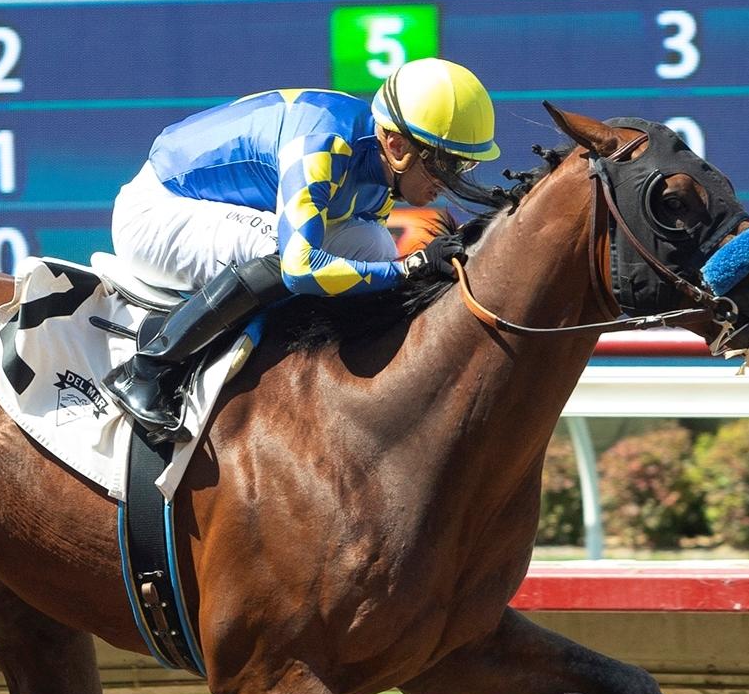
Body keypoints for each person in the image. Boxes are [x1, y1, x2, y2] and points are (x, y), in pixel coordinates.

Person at [102, 57, 502, 442]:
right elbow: (300, 268)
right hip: (155, 213)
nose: (450, 182)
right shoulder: (323, 144)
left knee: (376, 246)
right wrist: (411, 266)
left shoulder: (381, 174)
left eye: (463, 166)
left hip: (211, 207)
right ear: (397, 147)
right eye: (446, 165)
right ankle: (147, 369)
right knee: (277, 250)